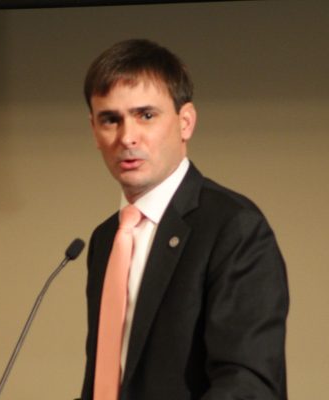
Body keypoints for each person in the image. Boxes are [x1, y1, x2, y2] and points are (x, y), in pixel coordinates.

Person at [80, 39, 289, 400]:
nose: (127, 137)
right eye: (110, 119)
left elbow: (247, 385)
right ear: (94, 131)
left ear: (185, 122)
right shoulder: (106, 239)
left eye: (146, 115)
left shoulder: (234, 227)